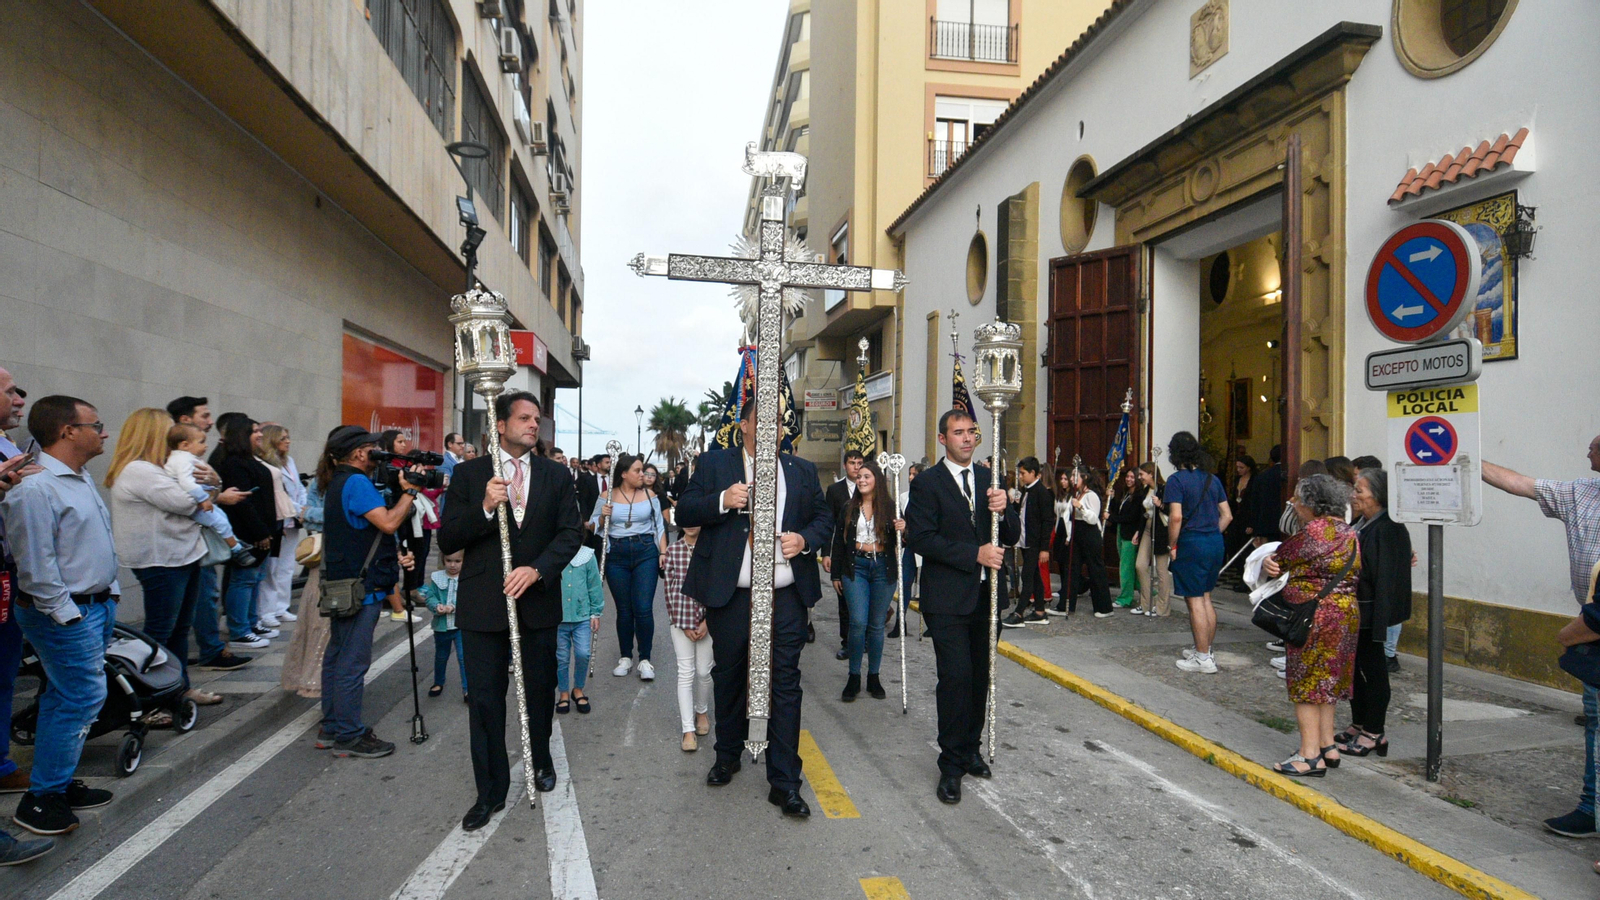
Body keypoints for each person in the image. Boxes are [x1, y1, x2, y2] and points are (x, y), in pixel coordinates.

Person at [676, 397, 832, 818]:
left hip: (785, 595)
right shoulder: (714, 465)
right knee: (729, 675)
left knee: (784, 681)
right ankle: (727, 754)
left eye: (777, 422)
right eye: (761, 421)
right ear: (743, 426)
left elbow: (822, 518)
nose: (771, 428)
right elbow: (684, 510)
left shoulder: (800, 470)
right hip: (733, 594)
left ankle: (785, 782)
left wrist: (805, 540)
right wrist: (723, 500)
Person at [438, 392, 583, 832]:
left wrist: (537, 570)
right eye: (523, 418)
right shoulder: (469, 475)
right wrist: (484, 507)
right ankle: (490, 791)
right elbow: (447, 539)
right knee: (484, 700)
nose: (533, 425)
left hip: (537, 603)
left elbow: (570, 533)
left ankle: (540, 758)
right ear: (499, 425)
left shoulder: (556, 476)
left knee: (540, 691)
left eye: (536, 419)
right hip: (484, 607)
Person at [3, 395, 119, 835]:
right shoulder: (36, 487)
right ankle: (40, 799)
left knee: (67, 698)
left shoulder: (78, 477)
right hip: (66, 614)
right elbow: (36, 565)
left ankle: (57, 782)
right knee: (79, 698)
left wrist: (108, 597)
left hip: (95, 606)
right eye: (96, 424)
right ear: (68, 431)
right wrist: (67, 615)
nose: (103, 432)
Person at [1482, 435, 1600, 837]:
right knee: (1596, 721)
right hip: (1592, 627)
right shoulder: (1580, 494)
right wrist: (1463, 458)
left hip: (1591, 625)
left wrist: (1572, 633)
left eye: (1596, 445)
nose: (1587, 449)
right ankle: (1591, 807)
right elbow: (1520, 483)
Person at [905, 410, 1018, 805]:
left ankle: (970, 748)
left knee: (980, 677)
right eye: (958, 433)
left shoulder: (991, 480)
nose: (967, 439)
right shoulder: (928, 485)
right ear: (942, 439)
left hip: (987, 600)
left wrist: (1005, 508)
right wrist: (976, 554)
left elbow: (1015, 534)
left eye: (972, 432)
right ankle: (950, 765)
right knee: (955, 678)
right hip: (948, 600)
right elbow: (921, 538)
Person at [105, 409, 224, 715]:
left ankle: (178, 690)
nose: (175, 437)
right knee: (160, 631)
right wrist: (210, 486)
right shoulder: (139, 470)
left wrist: (211, 483)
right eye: (169, 431)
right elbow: (187, 502)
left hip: (181, 555)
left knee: (179, 629)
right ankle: (150, 700)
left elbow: (204, 497)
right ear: (153, 434)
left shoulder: (160, 469)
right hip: (161, 560)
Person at [313, 425, 419, 759]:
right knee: (352, 662)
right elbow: (388, 523)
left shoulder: (337, 482)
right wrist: (410, 492)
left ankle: (332, 727)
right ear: (359, 452)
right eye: (372, 448)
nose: (377, 453)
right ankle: (348, 735)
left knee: (337, 656)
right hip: (363, 589)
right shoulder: (356, 482)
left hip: (344, 585)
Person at [1260, 475, 1360, 777]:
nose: (1294, 504)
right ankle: (1328, 745)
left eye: (1297, 499)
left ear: (1311, 504)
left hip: (1315, 616)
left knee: (1305, 683)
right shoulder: (1348, 531)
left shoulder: (1313, 533)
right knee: (1328, 681)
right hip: (1346, 613)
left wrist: (1268, 562)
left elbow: (1281, 559)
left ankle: (1309, 755)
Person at [165, 396, 246, 672]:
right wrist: (215, 493)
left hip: (198, 531)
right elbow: (188, 493)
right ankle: (209, 649)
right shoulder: (178, 457)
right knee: (201, 594)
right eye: (205, 416)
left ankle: (209, 647)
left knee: (204, 593)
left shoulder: (190, 454)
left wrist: (215, 487)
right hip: (188, 534)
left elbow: (209, 484)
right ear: (185, 421)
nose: (210, 422)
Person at [1337, 467, 1411, 760]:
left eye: (1360, 491)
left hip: (1370, 613)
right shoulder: (1363, 523)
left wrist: (1380, 623)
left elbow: (1385, 580)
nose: (1354, 496)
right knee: (1354, 671)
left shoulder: (1388, 528)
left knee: (1373, 669)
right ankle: (1359, 723)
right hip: (1357, 611)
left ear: (1378, 496)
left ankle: (1374, 732)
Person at [829, 458, 903, 701]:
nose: (861, 480)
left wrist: (903, 528)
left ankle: (874, 676)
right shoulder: (848, 507)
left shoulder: (890, 507)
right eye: (859, 476)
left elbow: (905, 541)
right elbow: (839, 541)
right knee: (858, 622)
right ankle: (853, 676)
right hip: (855, 568)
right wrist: (836, 573)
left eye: (866, 477)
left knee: (876, 625)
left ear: (877, 481)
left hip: (883, 567)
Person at [590, 453, 665, 681]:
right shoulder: (606, 496)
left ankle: (645, 659)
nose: (643, 475)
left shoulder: (651, 495)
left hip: (645, 552)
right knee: (624, 609)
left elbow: (659, 526)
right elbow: (593, 525)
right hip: (617, 555)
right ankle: (625, 656)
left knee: (642, 607)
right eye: (638, 471)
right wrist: (603, 518)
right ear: (623, 474)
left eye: (643, 470)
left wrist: (662, 552)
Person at [210, 414, 281, 649]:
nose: (260, 434)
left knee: (256, 578)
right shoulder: (233, 463)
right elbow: (243, 502)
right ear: (242, 436)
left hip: (262, 530)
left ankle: (251, 622)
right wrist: (260, 532)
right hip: (247, 533)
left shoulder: (250, 460)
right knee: (244, 579)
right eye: (254, 431)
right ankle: (239, 630)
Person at [1166, 431, 1232, 674]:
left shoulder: (1176, 480)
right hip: (1214, 542)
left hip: (1191, 542)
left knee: (1194, 600)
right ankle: (1205, 649)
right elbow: (1227, 515)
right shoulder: (1212, 480)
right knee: (1205, 597)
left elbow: (1175, 517)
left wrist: (1173, 544)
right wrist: (1211, 532)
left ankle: (1203, 658)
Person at [0, 368, 36, 799]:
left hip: (9, 576)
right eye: (11, 392)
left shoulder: (11, 445)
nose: (20, 400)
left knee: (5, 676)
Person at [163, 424, 255, 566]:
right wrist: (203, 498)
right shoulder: (183, 460)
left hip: (201, 500)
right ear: (184, 445)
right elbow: (187, 483)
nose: (205, 446)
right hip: (196, 503)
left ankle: (234, 541)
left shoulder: (185, 458)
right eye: (201, 442)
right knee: (220, 522)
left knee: (222, 518)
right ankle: (237, 550)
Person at [662, 524, 711, 751]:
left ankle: (702, 711)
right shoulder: (673, 551)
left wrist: (707, 621)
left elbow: (718, 586)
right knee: (685, 672)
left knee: (704, 671)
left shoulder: (712, 549)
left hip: (707, 622)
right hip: (680, 623)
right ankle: (687, 729)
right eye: (686, 520)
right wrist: (681, 624)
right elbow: (669, 591)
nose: (691, 525)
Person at [280, 471, 328, 698]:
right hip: (324, 557)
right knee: (317, 620)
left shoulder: (368, 479)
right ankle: (313, 681)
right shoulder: (322, 480)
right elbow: (306, 516)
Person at [255, 424, 304, 628]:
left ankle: (281, 607)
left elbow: (298, 487)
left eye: (288, 437)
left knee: (286, 566)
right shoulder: (267, 463)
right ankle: (266, 610)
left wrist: (303, 506)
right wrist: (296, 508)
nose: (288, 441)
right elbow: (277, 494)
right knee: (271, 569)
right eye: (283, 438)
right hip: (278, 518)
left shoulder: (289, 461)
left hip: (293, 519)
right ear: (273, 440)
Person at [379, 430, 427, 624]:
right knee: (389, 561)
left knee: (407, 558)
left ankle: (402, 596)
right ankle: (394, 604)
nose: (403, 445)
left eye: (404, 441)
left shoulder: (404, 465)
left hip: (404, 519)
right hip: (390, 520)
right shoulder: (385, 468)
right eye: (399, 441)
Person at [824, 449, 866, 661]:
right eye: (852, 463)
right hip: (843, 552)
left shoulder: (871, 486)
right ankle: (847, 642)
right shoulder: (835, 490)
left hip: (866, 552)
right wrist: (826, 554)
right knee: (844, 598)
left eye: (860, 462)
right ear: (845, 465)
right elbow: (828, 524)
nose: (856, 466)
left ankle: (863, 639)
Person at [1001, 458, 1050, 628]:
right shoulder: (1025, 490)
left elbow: (1047, 521)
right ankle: (1039, 611)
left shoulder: (1042, 493)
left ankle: (1019, 612)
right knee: (1035, 576)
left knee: (1027, 576)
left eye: (1023, 473)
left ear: (1033, 473)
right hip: (1025, 539)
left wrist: (1045, 548)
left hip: (1035, 542)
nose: (1021, 477)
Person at [555, 543, 602, 714]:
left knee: (583, 653)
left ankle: (578, 689)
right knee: (562, 657)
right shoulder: (554, 552)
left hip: (582, 615)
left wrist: (596, 612)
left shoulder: (587, 555)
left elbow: (594, 584)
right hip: (559, 617)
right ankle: (564, 692)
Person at [422, 550, 468, 701]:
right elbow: (430, 596)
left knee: (463, 657)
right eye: (449, 561)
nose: (453, 565)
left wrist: (453, 607)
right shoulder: (437, 578)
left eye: (457, 561)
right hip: (441, 626)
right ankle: (438, 681)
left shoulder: (466, 578)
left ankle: (467, 688)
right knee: (441, 656)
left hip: (460, 625)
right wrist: (437, 607)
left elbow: (470, 600)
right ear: (443, 560)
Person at [1068, 466, 1112, 618]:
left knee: (1095, 569)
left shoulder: (1091, 495)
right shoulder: (1077, 494)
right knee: (1073, 568)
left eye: (1076, 476)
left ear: (1084, 477)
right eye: (1072, 475)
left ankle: (1104, 607)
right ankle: (1068, 604)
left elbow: (1093, 518)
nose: (1072, 479)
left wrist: (1080, 507)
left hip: (1090, 533)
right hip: (1078, 532)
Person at [1134, 463, 1173, 617]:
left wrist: (1161, 505)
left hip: (1161, 530)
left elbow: (1171, 509)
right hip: (1148, 529)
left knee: (1161, 570)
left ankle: (1163, 607)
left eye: (1142, 474)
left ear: (1151, 474)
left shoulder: (1164, 488)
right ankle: (1147, 603)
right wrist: (1138, 530)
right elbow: (1144, 512)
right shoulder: (1145, 490)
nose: (1140, 477)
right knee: (1140, 565)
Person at [1106, 467, 1147, 611]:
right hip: (1122, 532)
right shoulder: (1126, 494)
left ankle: (1125, 598)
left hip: (1130, 535)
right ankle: (1149, 594)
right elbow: (1119, 510)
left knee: (1126, 568)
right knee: (1129, 568)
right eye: (1127, 476)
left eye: (1132, 477)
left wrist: (1111, 518)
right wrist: (1111, 500)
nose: (1129, 479)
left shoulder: (1139, 496)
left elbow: (1131, 517)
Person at [1223, 456, 1257, 589]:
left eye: (1241, 467)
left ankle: (1245, 580)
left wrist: (1252, 523)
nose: (1238, 470)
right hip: (1236, 518)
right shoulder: (1237, 480)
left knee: (1245, 550)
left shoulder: (1254, 481)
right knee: (1231, 546)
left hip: (1247, 520)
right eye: (1237, 467)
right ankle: (1239, 573)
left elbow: (1254, 503)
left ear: (1249, 468)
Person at [1048, 468, 1074, 616]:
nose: (1063, 481)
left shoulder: (1073, 496)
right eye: (1062, 479)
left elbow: (1069, 516)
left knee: (1067, 567)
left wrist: (1069, 537)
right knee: (1061, 565)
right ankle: (1064, 592)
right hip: (1059, 530)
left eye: (1066, 479)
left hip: (1068, 532)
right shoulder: (1059, 495)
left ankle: (1066, 598)